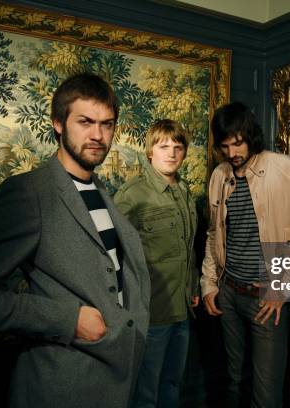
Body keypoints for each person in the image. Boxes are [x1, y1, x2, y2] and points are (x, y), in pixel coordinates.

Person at [0, 73, 150, 408]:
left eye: (107, 124)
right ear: (58, 124)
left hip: (118, 382)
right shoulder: (28, 194)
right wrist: (69, 320)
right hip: (62, 385)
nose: (98, 135)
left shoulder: (101, 192)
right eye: (85, 122)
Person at [201, 101, 290, 408]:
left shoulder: (284, 167)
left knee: (266, 395)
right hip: (228, 293)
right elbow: (214, 234)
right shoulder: (219, 176)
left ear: (250, 136)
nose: (231, 153)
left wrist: (284, 287)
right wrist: (209, 284)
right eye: (224, 146)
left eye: (237, 144)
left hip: (267, 297)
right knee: (235, 382)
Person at [113, 119, 199, 407]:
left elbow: (188, 249)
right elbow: (111, 254)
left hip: (183, 310)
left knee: (173, 385)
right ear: (150, 151)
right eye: (164, 147)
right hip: (151, 313)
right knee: (146, 392)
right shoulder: (131, 195)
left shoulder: (185, 191)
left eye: (178, 147)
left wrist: (194, 285)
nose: (172, 153)